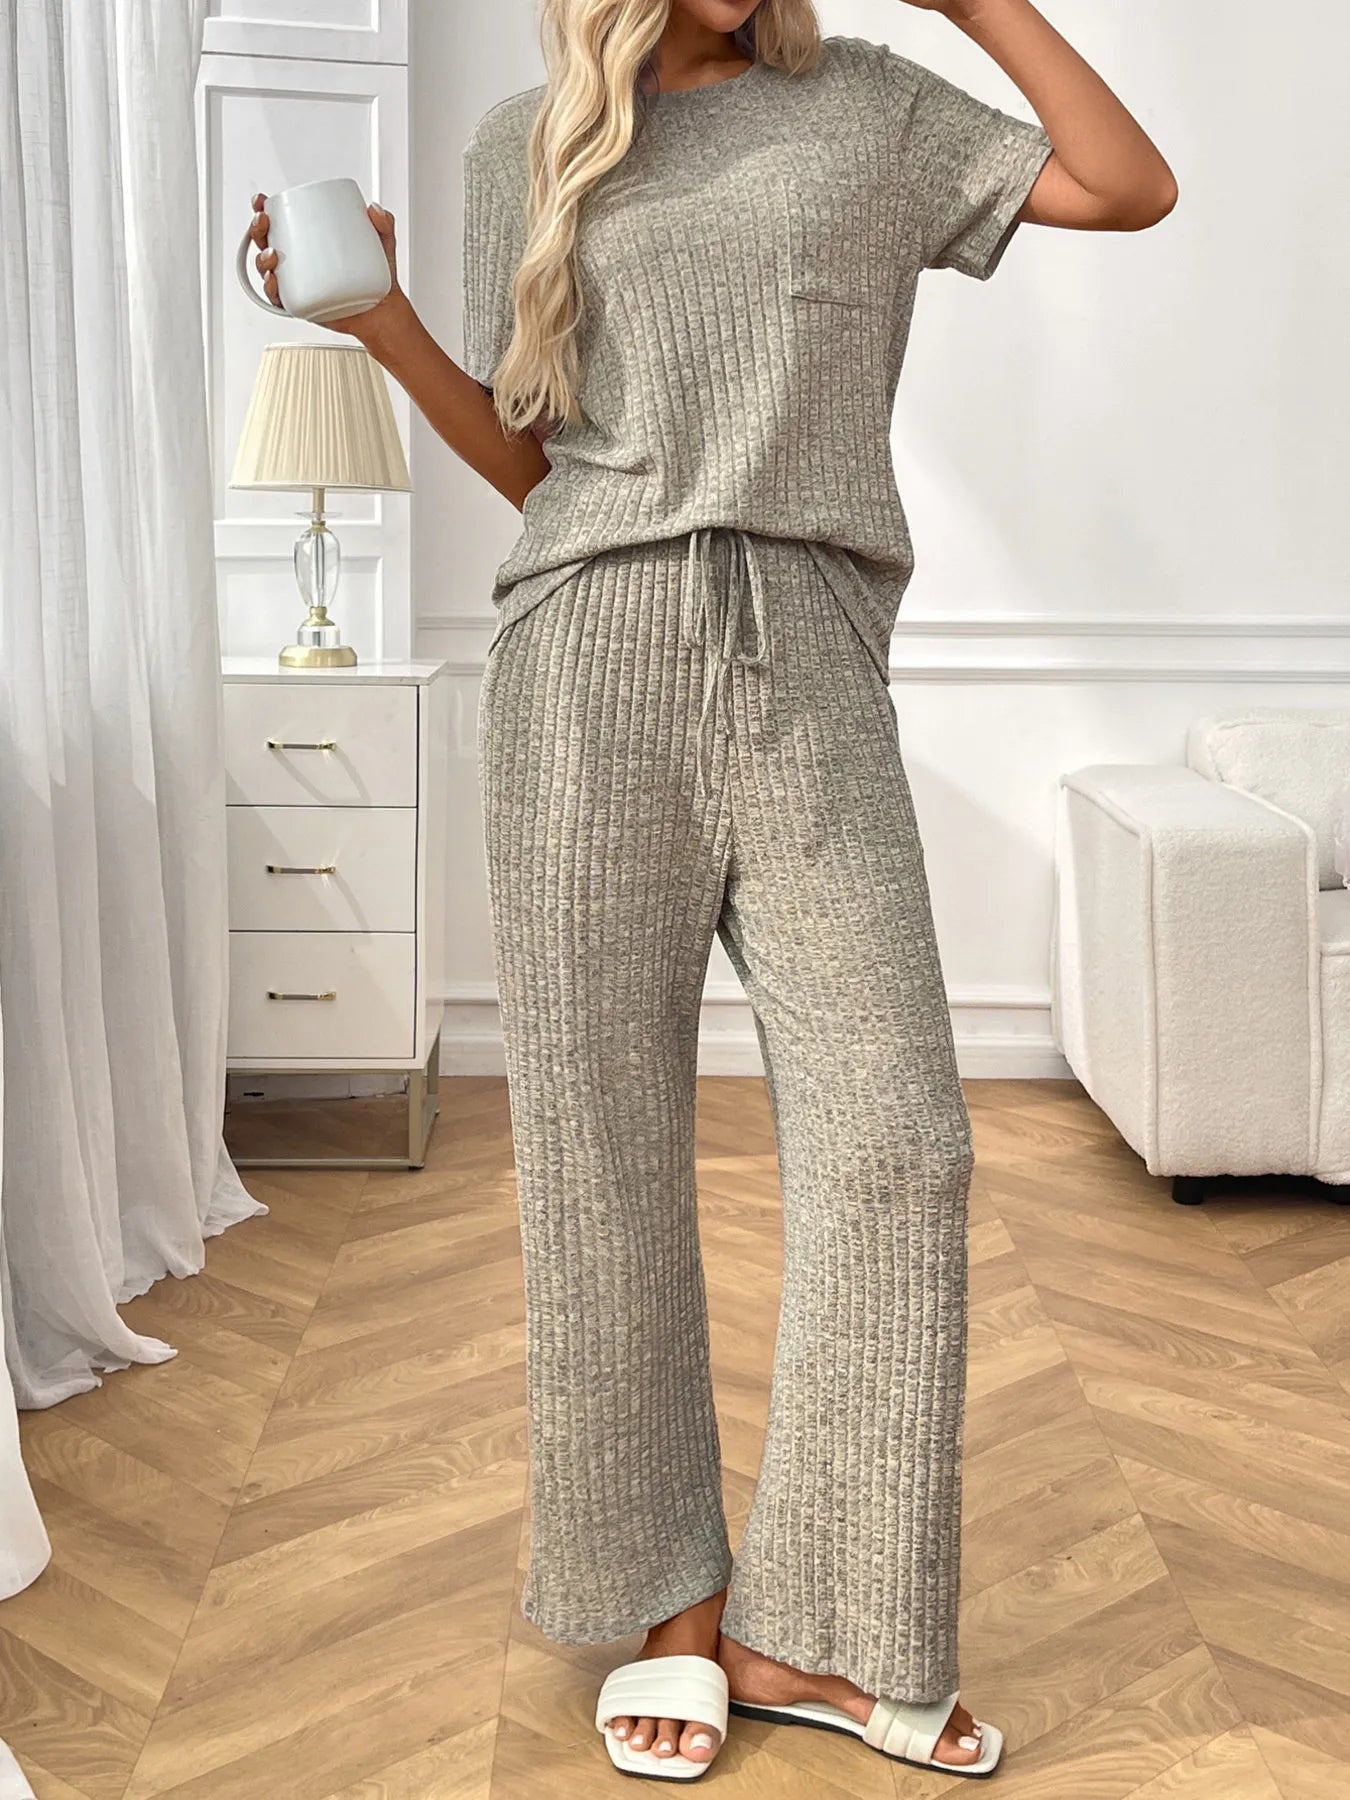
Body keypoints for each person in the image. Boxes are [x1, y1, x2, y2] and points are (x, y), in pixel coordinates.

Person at [249, 0, 1175, 1781]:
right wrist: (373, 325)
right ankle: (670, 1607)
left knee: (902, 1140)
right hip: (585, 650)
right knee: (599, 1150)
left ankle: (813, 1630)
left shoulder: (872, 109)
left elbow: (1128, 189)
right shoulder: (515, 146)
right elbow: (536, 460)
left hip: (815, 647)